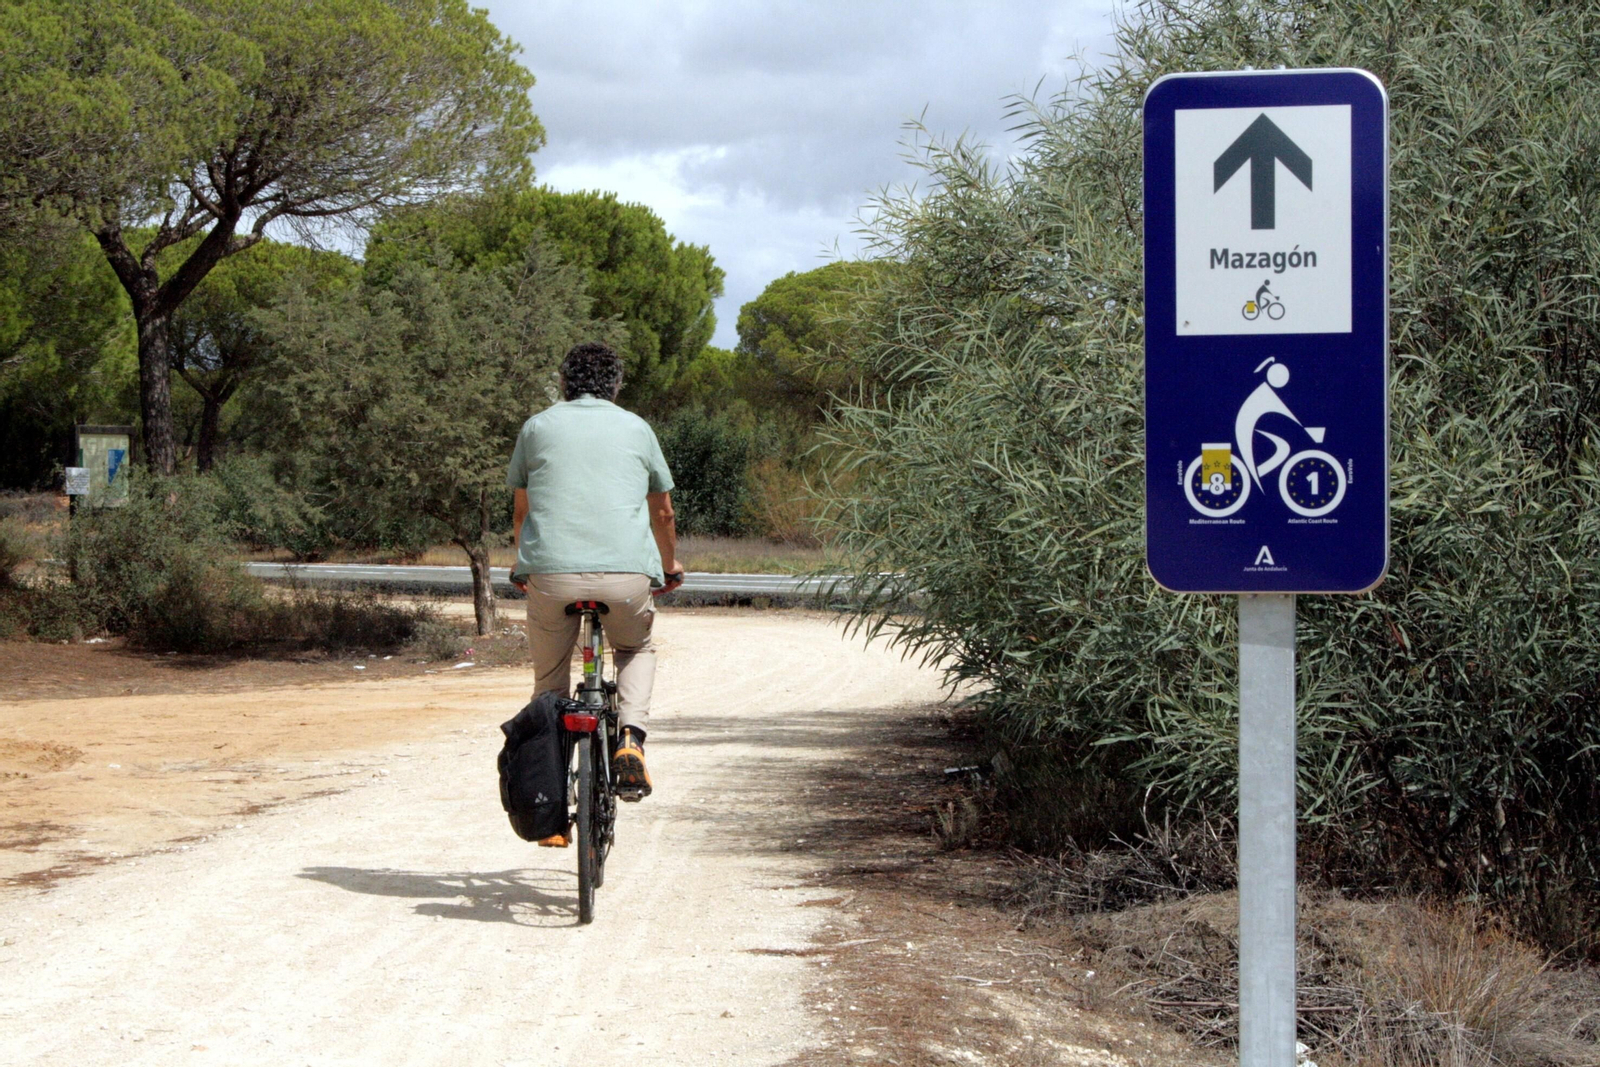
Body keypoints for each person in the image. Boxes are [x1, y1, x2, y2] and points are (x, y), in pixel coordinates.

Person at [507, 341, 683, 828]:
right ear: (616, 386)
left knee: (549, 681)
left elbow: (523, 511)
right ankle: (630, 739)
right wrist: (668, 567)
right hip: (626, 578)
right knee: (636, 649)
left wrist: (526, 566)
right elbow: (662, 512)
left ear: (564, 383)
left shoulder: (537, 426)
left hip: (551, 575)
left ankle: (548, 790)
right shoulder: (637, 428)